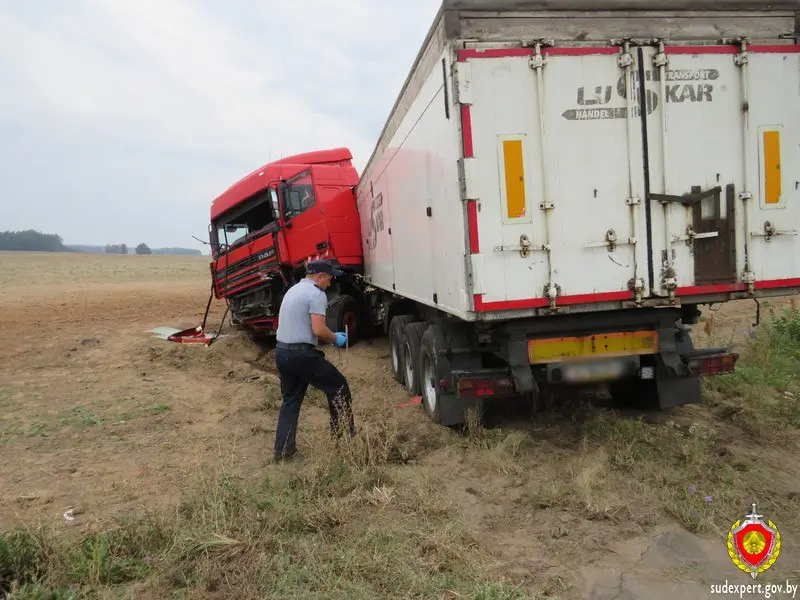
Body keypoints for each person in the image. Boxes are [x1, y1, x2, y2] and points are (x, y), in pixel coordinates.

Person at [272, 259, 356, 461]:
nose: (331, 282)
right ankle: (343, 441)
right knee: (338, 387)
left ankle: (283, 452)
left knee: (291, 400)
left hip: (282, 352)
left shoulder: (294, 290)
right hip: (301, 355)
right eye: (329, 278)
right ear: (320, 277)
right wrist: (336, 338)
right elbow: (318, 329)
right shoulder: (316, 294)